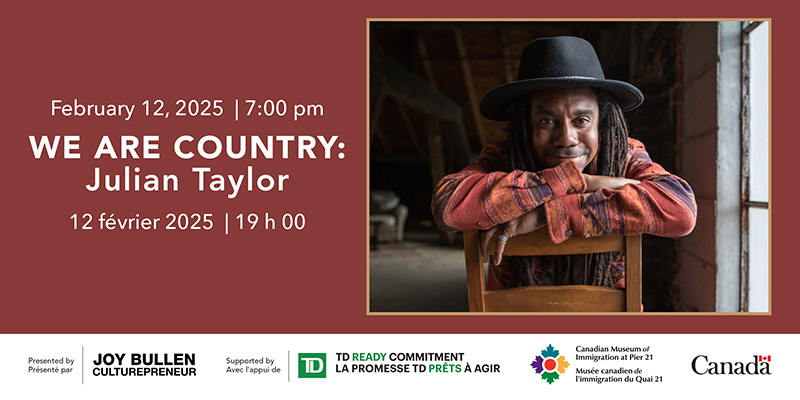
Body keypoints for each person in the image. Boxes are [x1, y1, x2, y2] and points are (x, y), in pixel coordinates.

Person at [432, 36, 696, 290]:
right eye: (547, 121)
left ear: (601, 124)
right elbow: (448, 206)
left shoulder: (623, 155)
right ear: (526, 124)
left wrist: (542, 215)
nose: (566, 139)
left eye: (581, 120)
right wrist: (575, 181)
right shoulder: (503, 157)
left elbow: (681, 211)